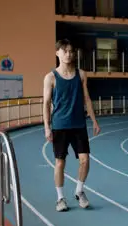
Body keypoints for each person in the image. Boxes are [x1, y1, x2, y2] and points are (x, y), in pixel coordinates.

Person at [43, 39, 101, 212]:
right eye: (64, 51)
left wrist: (94, 120)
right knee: (60, 162)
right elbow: (46, 103)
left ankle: (79, 191)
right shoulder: (51, 77)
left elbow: (87, 98)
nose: (68, 54)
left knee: (85, 160)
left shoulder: (81, 74)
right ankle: (60, 198)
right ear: (57, 53)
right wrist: (47, 126)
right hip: (60, 125)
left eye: (70, 51)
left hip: (79, 125)